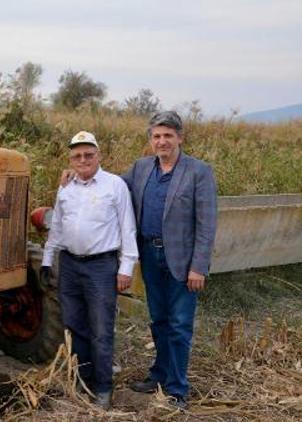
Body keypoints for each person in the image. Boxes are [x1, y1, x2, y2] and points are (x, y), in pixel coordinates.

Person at [123, 111, 217, 409]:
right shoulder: (140, 169)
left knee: (179, 325)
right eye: (157, 136)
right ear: (151, 140)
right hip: (150, 254)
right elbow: (110, 187)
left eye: (168, 135)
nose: (162, 141)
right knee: (159, 320)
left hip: (181, 260)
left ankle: (177, 389)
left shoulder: (198, 171)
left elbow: (206, 224)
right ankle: (159, 374)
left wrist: (198, 267)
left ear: (180, 138)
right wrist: (79, 173)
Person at [42, 131, 139, 410]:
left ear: (99, 156)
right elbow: (57, 226)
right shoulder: (66, 187)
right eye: (76, 156)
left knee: (101, 328)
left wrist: (126, 267)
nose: (82, 160)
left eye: (88, 154)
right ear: (70, 160)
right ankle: (81, 379)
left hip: (101, 266)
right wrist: (48, 259)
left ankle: (103, 388)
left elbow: (127, 227)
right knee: (73, 325)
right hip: (70, 264)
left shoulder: (114, 185)